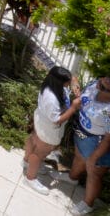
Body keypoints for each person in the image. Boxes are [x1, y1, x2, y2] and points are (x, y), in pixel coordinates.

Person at [58, 73, 110, 215]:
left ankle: (88, 204)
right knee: (79, 157)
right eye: (101, 80)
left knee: (94, 172)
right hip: (84, 134)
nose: (99, 84)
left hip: (101, 145)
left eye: (103, 86)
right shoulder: (95, 85)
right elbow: (78, 86)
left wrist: (93, 158)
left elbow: (109, 140)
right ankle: (72, 178)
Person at [23, 66, 81, 194]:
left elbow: (73, 78)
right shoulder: (51, 99)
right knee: (40, 153)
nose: (69, 84)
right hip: (49, 129)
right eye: (67, 83)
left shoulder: (51, 83)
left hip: (41, 121)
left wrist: (74, 84)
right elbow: (57, 120)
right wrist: (73, 107)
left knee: (33, 141)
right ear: (59, 82)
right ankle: (30, 178)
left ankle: (27, 162)